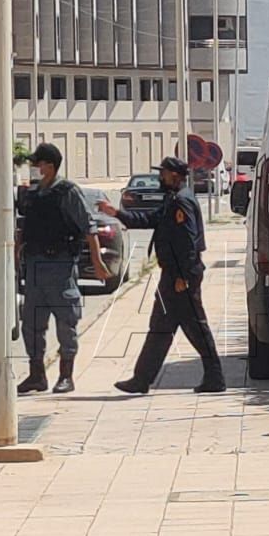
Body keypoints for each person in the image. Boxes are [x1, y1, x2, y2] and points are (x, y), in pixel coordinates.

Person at [98, 156, 225, 395]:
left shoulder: (182, 201)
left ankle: (214, 378)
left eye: (163, 173)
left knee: (194, 328)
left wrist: (182, 277)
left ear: (174, 176)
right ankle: (142, 379)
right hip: (174, 276)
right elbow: (149, 219)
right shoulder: (173, 199)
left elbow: (188, 242)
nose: (160, 177)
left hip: (181, 277)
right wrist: (116, 213)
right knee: (161, 328)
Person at [16, 143, 104, 396]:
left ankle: (66, 375)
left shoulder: (67, 191)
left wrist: (97, 261)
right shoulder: (34, 194)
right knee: (32, 324)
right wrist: (16, 254)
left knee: (66, 322)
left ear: (50, 166)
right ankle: (36, 376)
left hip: (60, 266)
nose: (34, 167)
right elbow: (24, 229)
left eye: (38, 163)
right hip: (34, 267)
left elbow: (88, 227)